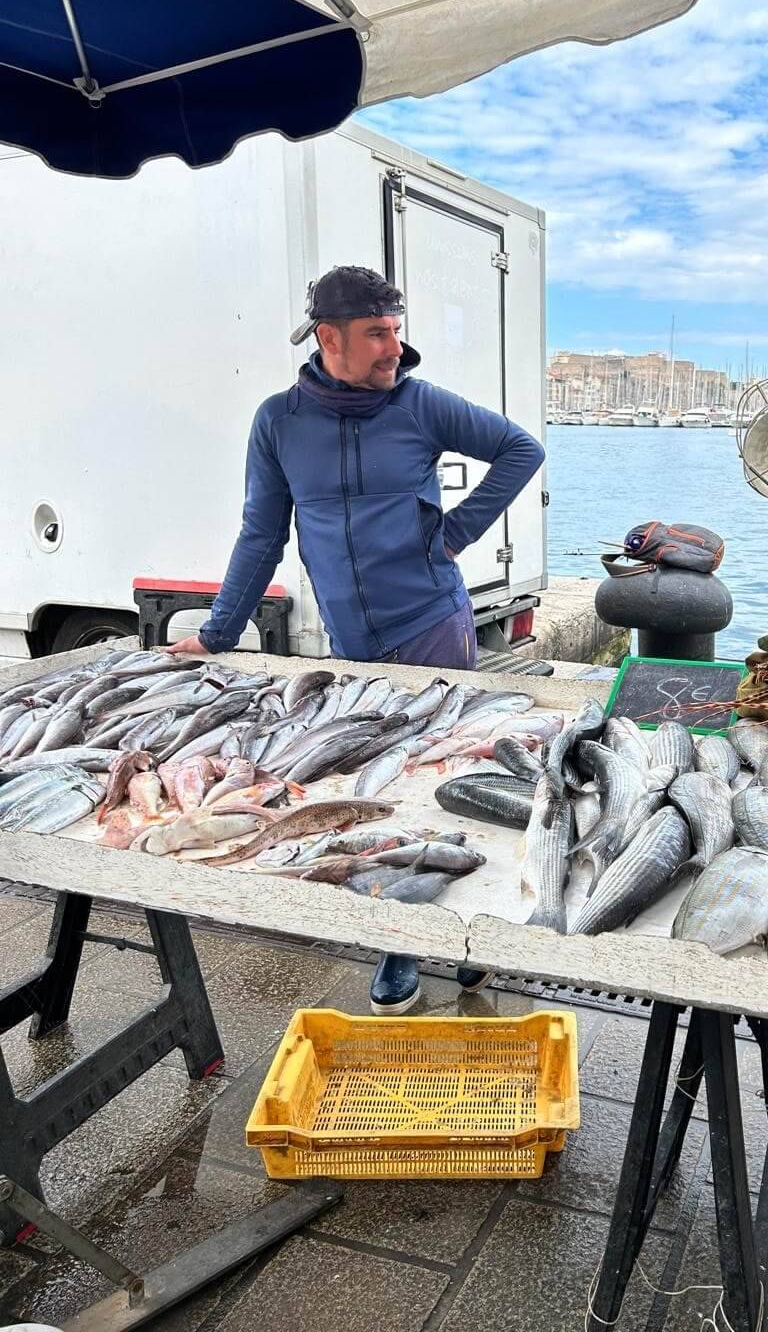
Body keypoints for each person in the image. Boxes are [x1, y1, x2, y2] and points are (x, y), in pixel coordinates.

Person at [168, 264, 545, 1013]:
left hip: (431, 624)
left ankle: (473, 929)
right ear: (328, 337)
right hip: (351, 641)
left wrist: (455, 535)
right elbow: (260, 534)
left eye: (397, 331)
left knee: (448, 783)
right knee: (376, 791)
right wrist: (216, 633)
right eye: (377, 334)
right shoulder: (280, 421)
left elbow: (520, 449)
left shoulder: (421, 403)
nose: (394, 350)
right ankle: (397, 940)